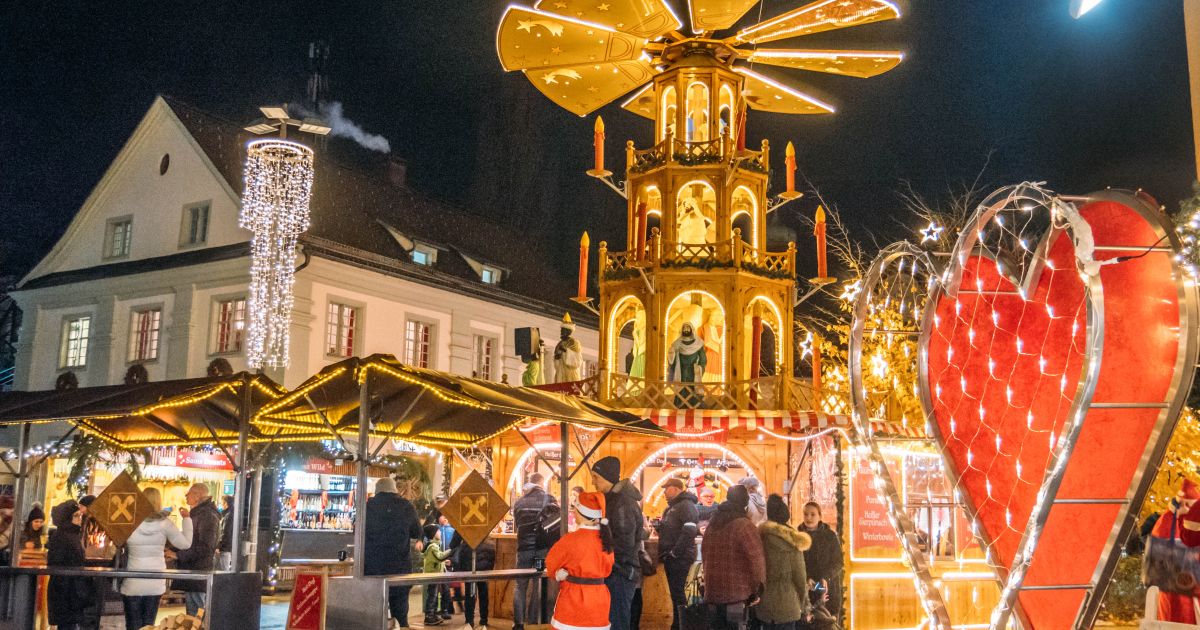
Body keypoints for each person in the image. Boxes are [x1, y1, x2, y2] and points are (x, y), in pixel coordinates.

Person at [121, 487, 194, 630]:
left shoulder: (129, 522)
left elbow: (118, 542)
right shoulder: (165, 523)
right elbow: (185, 543)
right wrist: (187, 519)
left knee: (132, 624)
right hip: (155, 579)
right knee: (149, 623)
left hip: (132, 578)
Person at [546, 491, 615, 630]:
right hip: (599, 601)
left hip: (573, 600)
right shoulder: (606, 541)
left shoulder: (570, 540)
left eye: (575, 509)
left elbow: (550, 563)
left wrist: (559, 573)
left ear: (580, 513)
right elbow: (608, 567)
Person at [701, 485, 765, 630]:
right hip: (737, 595)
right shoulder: (744, 525)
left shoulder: (713, 524)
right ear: (745, 502)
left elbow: (704, 553)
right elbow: (757, 560)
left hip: (712, 593)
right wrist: (758, 589)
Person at [591, 456, 644, 630]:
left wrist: (603, 554)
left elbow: (624, 544)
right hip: (617, 570)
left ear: (607, 477)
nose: (593, 482)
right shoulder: (614, 500)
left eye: (596, 477)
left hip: (620, 572)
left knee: (617, 622)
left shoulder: (622, 504)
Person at [365, 476, 424, 628]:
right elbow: (417, 531)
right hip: (399, 568)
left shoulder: (367, 507)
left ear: (377, 491)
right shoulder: (406, 506)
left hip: (372, 569)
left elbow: (356, 530)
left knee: (375, 613)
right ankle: (402, 625)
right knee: (400, 610)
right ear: (394, 489)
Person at [1149, 479, 1200, 623]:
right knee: (1177, 616)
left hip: (1184, 584)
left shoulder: (1171, 521)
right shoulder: (1170, 522)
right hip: (1179, 585)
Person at [512, 473, 559, 630]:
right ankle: (533, 622)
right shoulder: (549, 499)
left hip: (524, 550)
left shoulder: (519, 502)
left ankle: (518, 623)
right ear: (541, 482)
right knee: (537, 582)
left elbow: (517, 525)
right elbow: (556, 522)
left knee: (520, 585)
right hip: (541, 550)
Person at [757, 495, 810, 630]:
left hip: (764, 605)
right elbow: (800, 577)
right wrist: (803, 605)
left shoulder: (759, 537)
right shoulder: (793, 541)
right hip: (788, 605)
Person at [46, 500, 100, 630]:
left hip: (71, 589)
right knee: (67, 625)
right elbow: (57, 562)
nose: (79, 519)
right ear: (67, 518)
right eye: (76, 516)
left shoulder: (71, 534)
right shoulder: (63, 536)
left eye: (80, 515)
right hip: (67, 591)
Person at [655, 479, 698, 630]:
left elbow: (690, 531)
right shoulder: (674, 507)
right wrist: (661, 527)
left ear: (676, 489)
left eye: (666, 489)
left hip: (680, 558)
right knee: (675, 593)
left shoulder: (686, 505)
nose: (664, 492)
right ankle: (678, 624)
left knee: (678, 593)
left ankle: (682, 625)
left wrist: (674, 553)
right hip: (674, 556)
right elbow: (676, 529)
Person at [172, 483, 219, 617]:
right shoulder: (199, 514)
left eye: (189, 493)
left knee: (197, 613)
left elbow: (205, 546)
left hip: (198, 572)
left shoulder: (207, 516)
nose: (186, 496)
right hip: (193, 572)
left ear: (198, 496)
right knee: (193, 613)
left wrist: (179, 555)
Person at [799, 502, 844, 622]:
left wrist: (826, 577)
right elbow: (796, 564)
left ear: (820, 516)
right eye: (806, 514)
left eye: (812, 514)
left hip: (827, 590)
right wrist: (806, 579)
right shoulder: (798, 536)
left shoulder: (829, 536)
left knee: (828, 623)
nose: (808, 518)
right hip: (806, 592)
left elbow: (838, 562)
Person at [450, 530, 495, 630]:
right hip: (486, 553)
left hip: (469, 555)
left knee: (470, 590)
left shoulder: (463, 520)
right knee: (483, 588)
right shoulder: (485, 517)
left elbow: (453, 543)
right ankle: (484, 619)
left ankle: (469, 620)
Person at [667, 323, 706, 408]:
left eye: (688, 327)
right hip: (681, 371)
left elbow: (703, 359)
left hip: (693, 371)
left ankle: (694, 406)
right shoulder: (677, 343)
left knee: (693, 389)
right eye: (684, 328)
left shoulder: (698, 343)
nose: (686, 330)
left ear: (692, 329)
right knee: (681, 390)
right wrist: (671, 354)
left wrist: (699, 369)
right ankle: (681, 406)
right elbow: (671, 358)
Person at [422, 523, 453, 626]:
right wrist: (451, 550)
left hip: (435, 574)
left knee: (434, 595)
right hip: (432, 575)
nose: (440, 532)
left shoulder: (435, 545)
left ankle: (433, 614)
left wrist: (444, 562)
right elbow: (439, 557)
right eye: (438, 531)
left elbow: (437, 560)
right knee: (433, 595)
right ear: (434, 534)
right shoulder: (433, 546)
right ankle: (429, 616)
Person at [554, 313, 582, 383]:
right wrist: (557, 357)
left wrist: (565, 350)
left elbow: (577, 361)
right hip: (561, 373)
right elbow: (556, 363)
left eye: (563, 330)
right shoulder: (559, 343)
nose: (561, 331)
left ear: (568, 331)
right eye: (561, 330)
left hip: (571, 374)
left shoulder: (574, 342)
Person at [217, 494, 234, 571]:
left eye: (222, 503)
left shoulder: (228, 516)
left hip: (225, 548)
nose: (221, 505)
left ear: (226, 504)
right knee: (224, 569)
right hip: (227, 547)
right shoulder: (230, 514)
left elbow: (225, 532)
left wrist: (219, 546)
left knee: (223, 570)